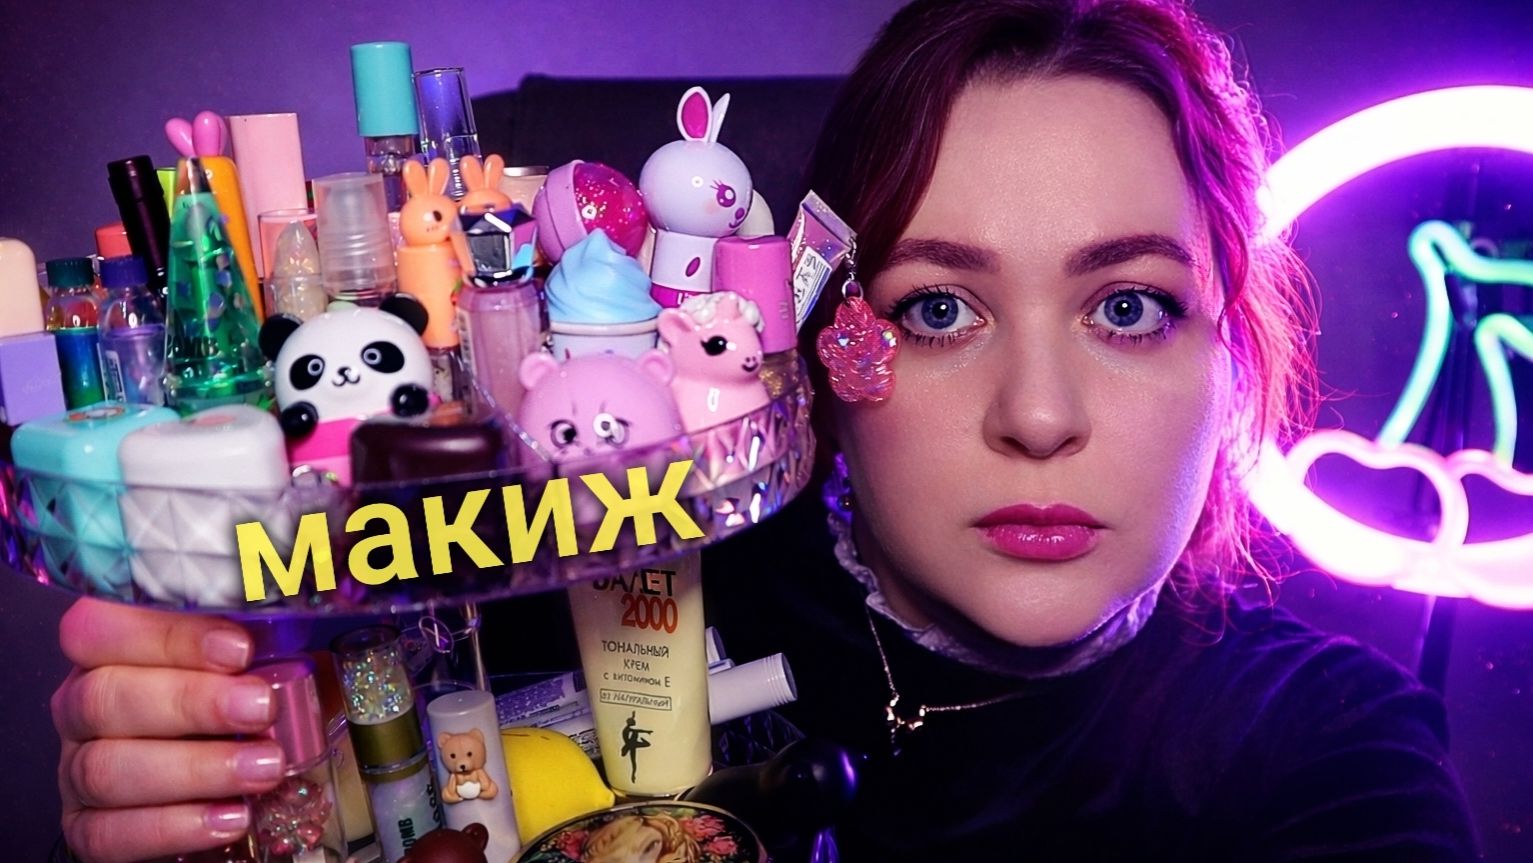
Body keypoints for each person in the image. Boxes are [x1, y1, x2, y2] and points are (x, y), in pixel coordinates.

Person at [49, 0, 1481, 860]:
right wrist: (223, 781)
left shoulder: (1326, 750)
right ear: (815, 332)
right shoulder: (582, 580)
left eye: (1128, 307)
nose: (1038, 416)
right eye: (937, 309)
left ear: (1234, 352)